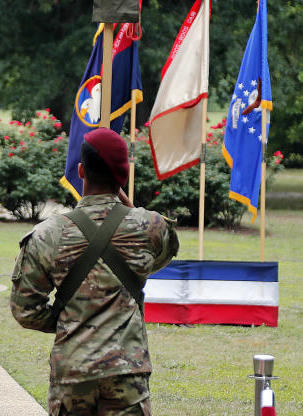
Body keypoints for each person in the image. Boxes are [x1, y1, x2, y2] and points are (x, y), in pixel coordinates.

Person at [10, 127, 179, 416]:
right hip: (127, 372)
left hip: (73, 372)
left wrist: (69, 320)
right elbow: (162, 256)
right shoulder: (150, 227)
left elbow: (26, 311)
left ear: (80, 171)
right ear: (123, 177)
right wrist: (130, 207)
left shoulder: (47, 234)